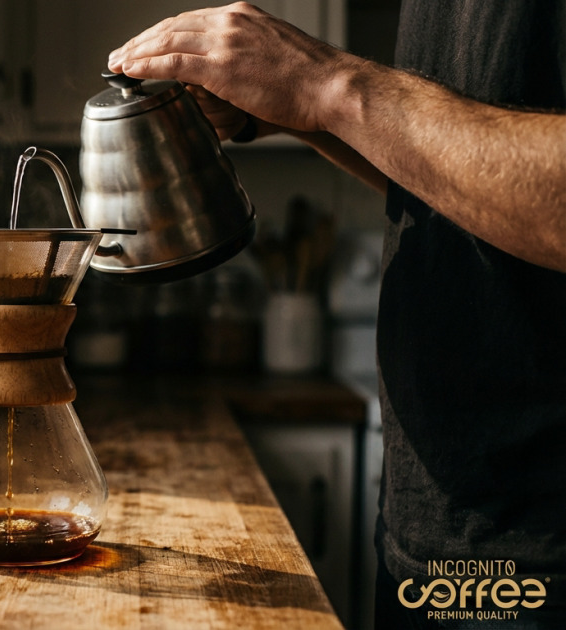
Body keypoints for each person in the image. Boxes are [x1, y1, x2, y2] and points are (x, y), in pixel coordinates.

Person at [108, 2, 566, 629]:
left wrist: (328, 84)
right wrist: (294, 113)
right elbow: (459, 181)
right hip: (434, 524)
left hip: (543, 551)